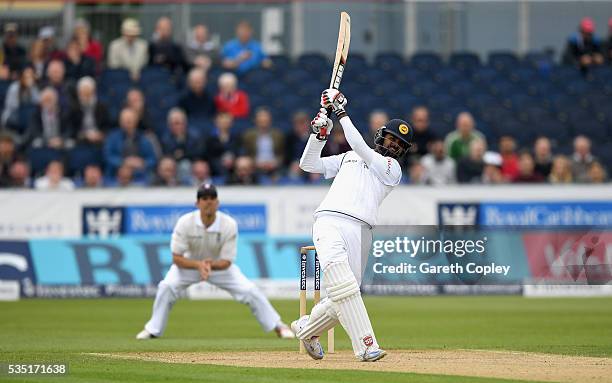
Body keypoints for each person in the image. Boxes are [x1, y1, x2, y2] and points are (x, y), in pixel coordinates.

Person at [291, 89, 413, 362]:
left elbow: (359, 146)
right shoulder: (347, 157)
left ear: (402, 151)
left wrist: (340, 111)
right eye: (391, 138)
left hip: (361, 231)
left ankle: (306, 328)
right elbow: (307, 164)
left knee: (343, 295)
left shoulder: (391, 169)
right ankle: (366, 346)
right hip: (329, 222)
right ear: (382, 135)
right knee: (345, 289)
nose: (393, 145)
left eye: (399, 144)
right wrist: (319, 135)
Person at [136, 183, 294, 339]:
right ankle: (153, 330)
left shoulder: (228, 224)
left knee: (250, 290)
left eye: (212, 198)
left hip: (219, 267)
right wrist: (199, 265)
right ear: (197, 203)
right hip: (189, 266)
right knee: (166, 286)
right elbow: (176, 258)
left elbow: (227, 261)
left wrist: (208, 265)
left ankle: (279, 326)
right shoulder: (185, 222)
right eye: (204, 198)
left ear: (217, 203)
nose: (208, 202)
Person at [1, 65, 40, 130]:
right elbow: (12, 106)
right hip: (13, 115)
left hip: (27, 118)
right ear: (22, 76)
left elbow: (37, 102)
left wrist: (30, 88)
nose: (28, 79)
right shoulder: (15, 87)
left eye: (30, 76)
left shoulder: (34, 87)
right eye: (26, 76)